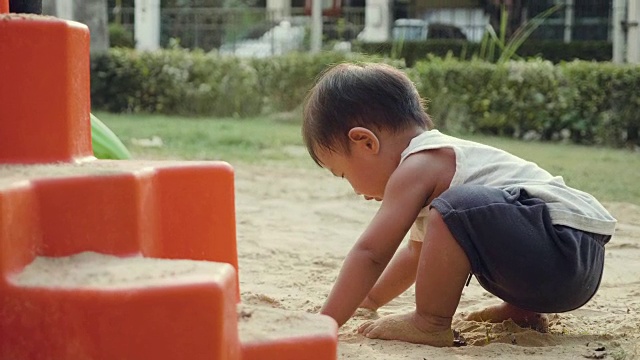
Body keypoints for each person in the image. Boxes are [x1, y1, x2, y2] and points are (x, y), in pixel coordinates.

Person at [301, 62, 616, 347]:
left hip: (562, 244)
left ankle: (430, 323)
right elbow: (416, 255)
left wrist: (326, 321)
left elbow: (371, 253)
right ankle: (523, 311)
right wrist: (368, 299)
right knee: (459, 221)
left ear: (366, 142)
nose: (355, 189)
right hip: (576, 263)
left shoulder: (420, 165)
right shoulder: (439, 170)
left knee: (456, 208)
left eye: (343, 174)